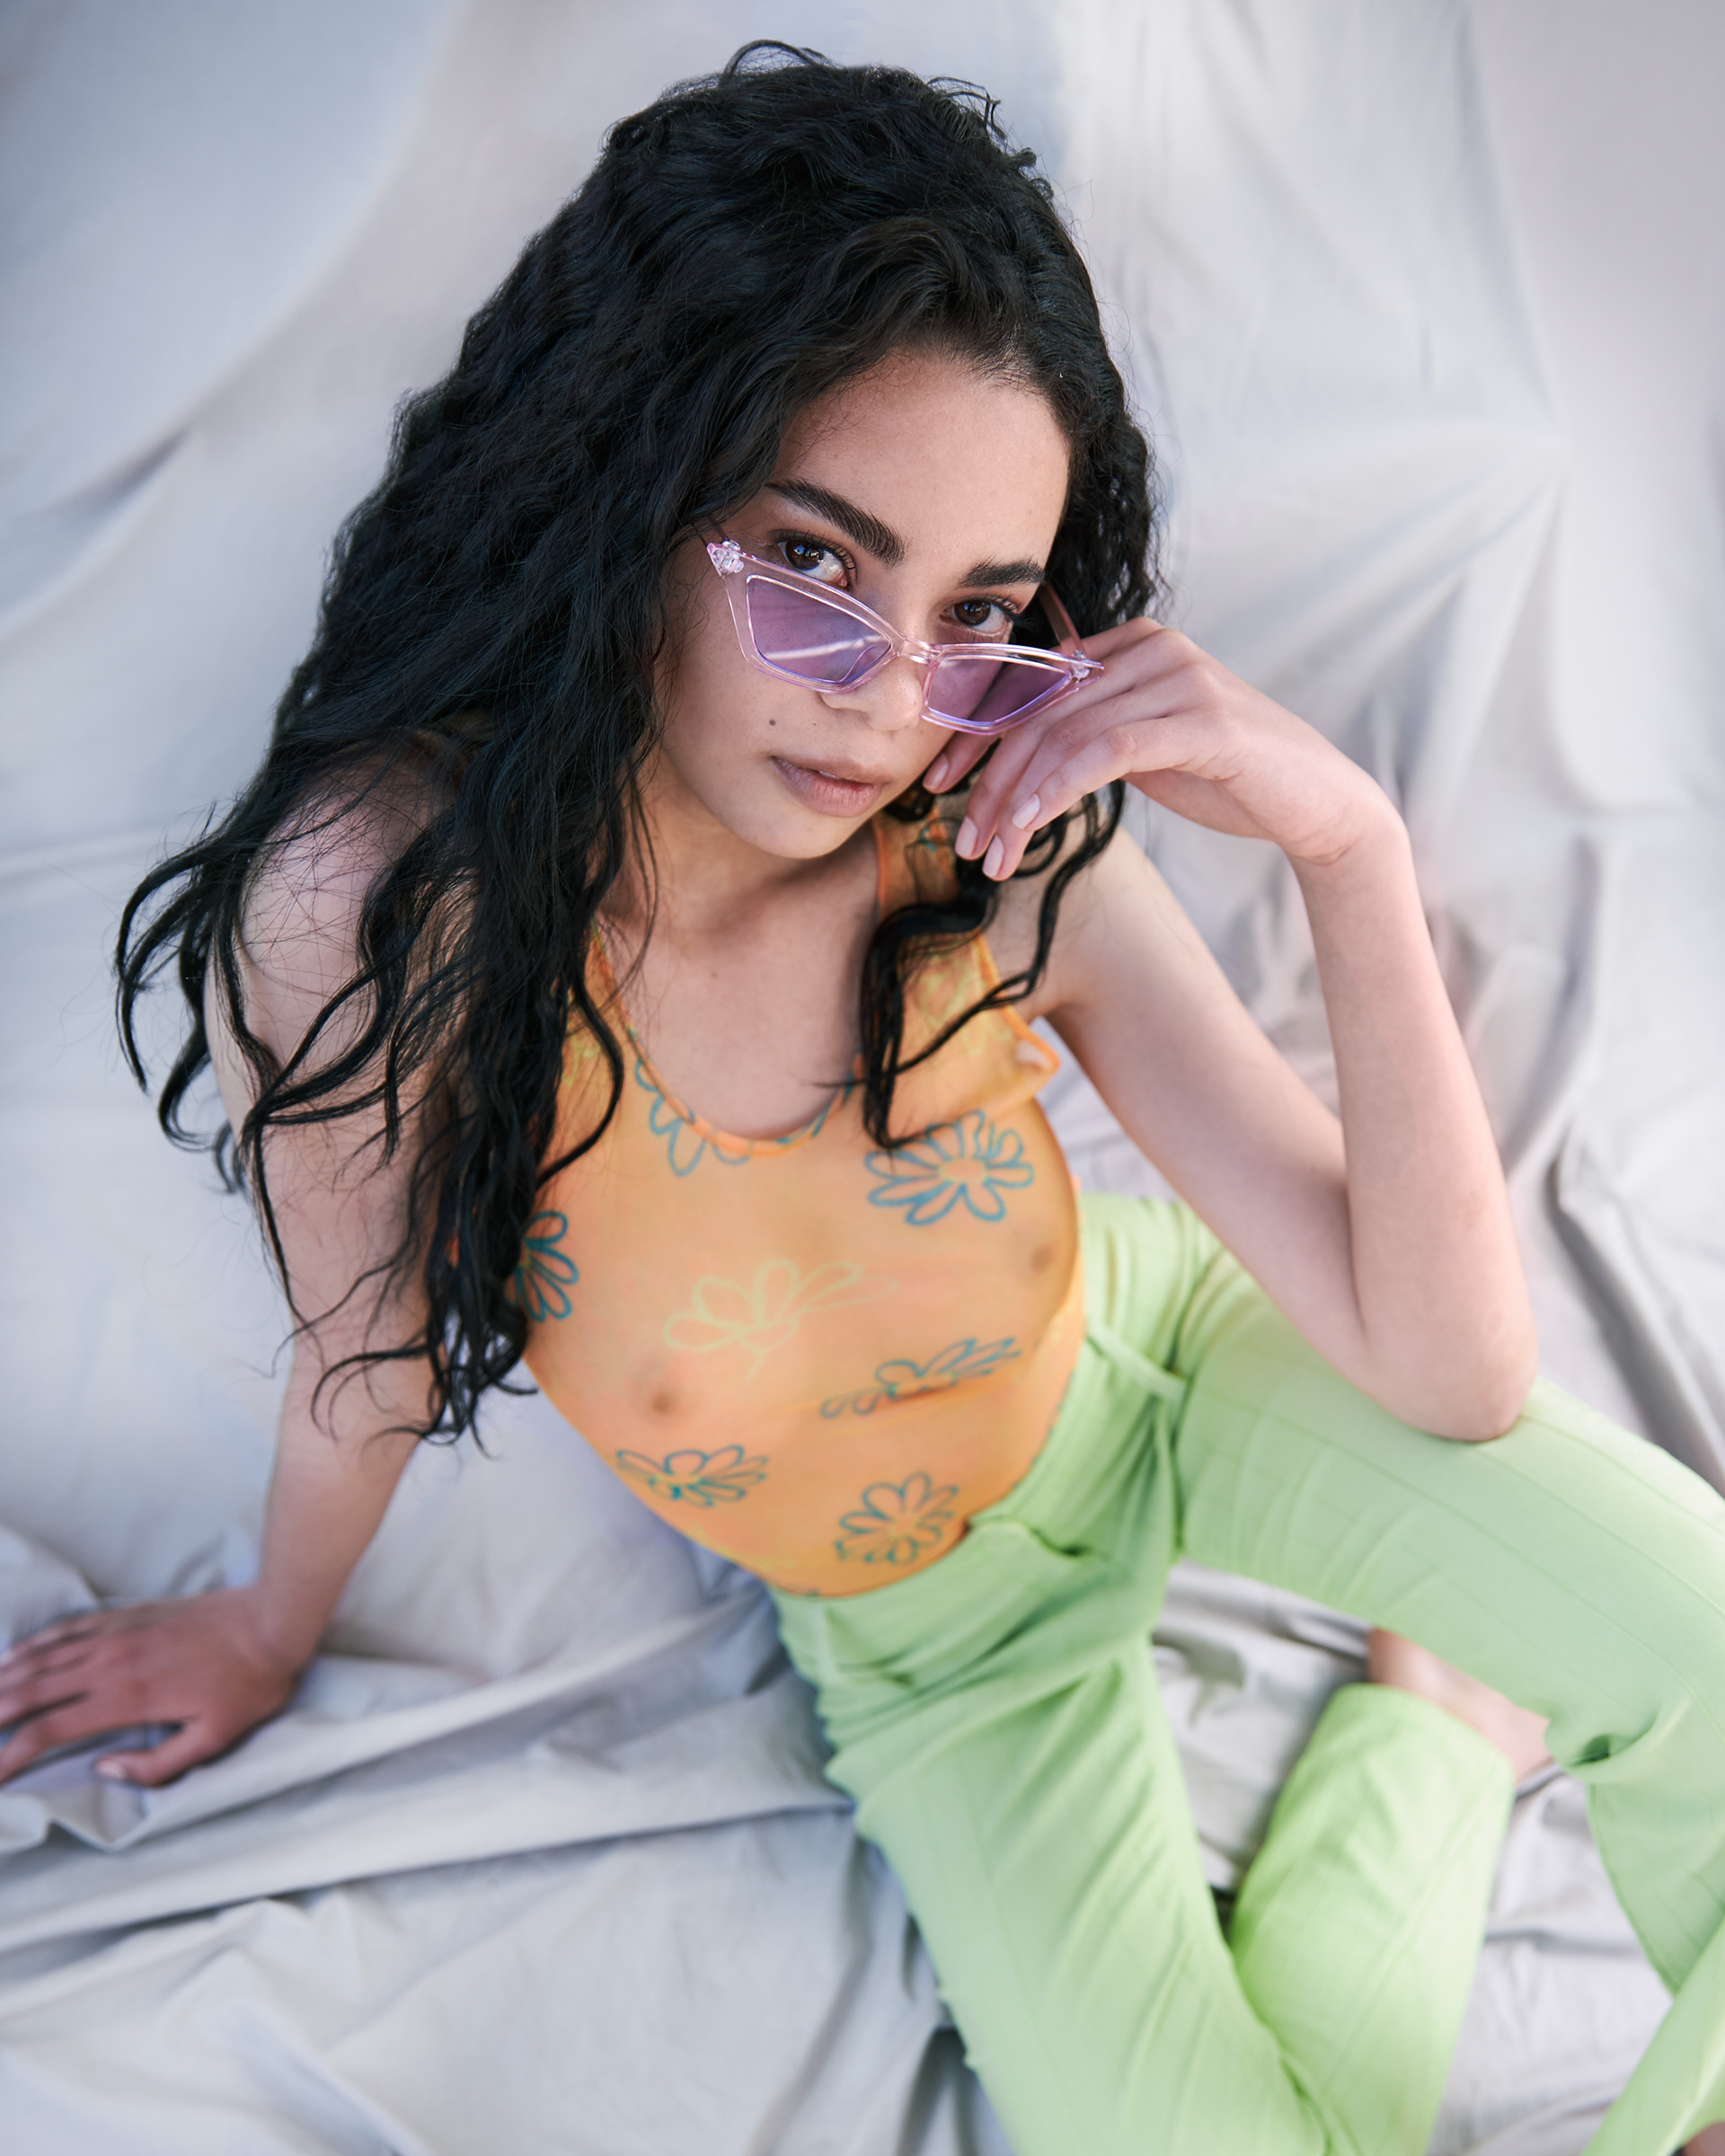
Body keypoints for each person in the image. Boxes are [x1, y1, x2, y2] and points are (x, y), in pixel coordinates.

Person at [2, 45, 1721, 2155]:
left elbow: (1446, 1377)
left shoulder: (996, 849)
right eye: (817, 571)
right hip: (937, 1645)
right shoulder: (386, 908)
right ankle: (1442, 1724)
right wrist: (268, 1632)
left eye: (977, 617)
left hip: (1163, 1377)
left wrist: (1344, 845)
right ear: (632, 487)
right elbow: (361, 1350)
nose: (896, 704)